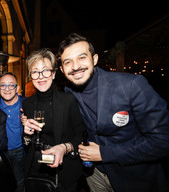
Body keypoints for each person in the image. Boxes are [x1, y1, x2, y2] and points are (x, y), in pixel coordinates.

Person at [57, 33, 169, 192]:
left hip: (134, 177)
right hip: (94, 175)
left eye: (82, 58)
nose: (75, 66)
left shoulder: (131, 86)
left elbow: (163, 140)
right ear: (62, 69)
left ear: (94, 59)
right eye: (68, 62)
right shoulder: (69, 92)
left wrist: (105, 153)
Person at [22, 48, 87, 192]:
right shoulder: (27, 104)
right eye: (35, 72)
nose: (40, 76)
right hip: (37, 170)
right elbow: (28, 143)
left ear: (53, 74)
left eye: (45, 70)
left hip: (65, 172)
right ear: (31, 76)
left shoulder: (68, 100)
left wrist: (64, 147)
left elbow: (80, 135)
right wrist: (26, 134)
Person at [0, 72, 25, 192]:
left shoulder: (27, 104)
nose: (7, 89)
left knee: (19, 184)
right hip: (0, 152)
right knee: (2, 184)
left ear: (17, 88)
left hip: (20, 151)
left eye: (11, 85)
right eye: (3, 85)